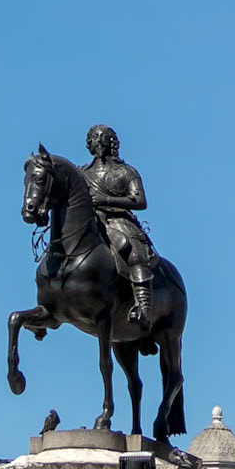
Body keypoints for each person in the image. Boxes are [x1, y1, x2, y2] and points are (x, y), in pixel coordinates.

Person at [82, 124, 157, 329]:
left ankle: (144, 308)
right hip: (91, 221)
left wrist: (105, 199)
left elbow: (140, 201)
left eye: (103, 137)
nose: (99, 140)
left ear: (112, 142)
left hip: (119, 221)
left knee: (134, 252)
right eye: (94, 137)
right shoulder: (82, 173)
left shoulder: (126, 172)